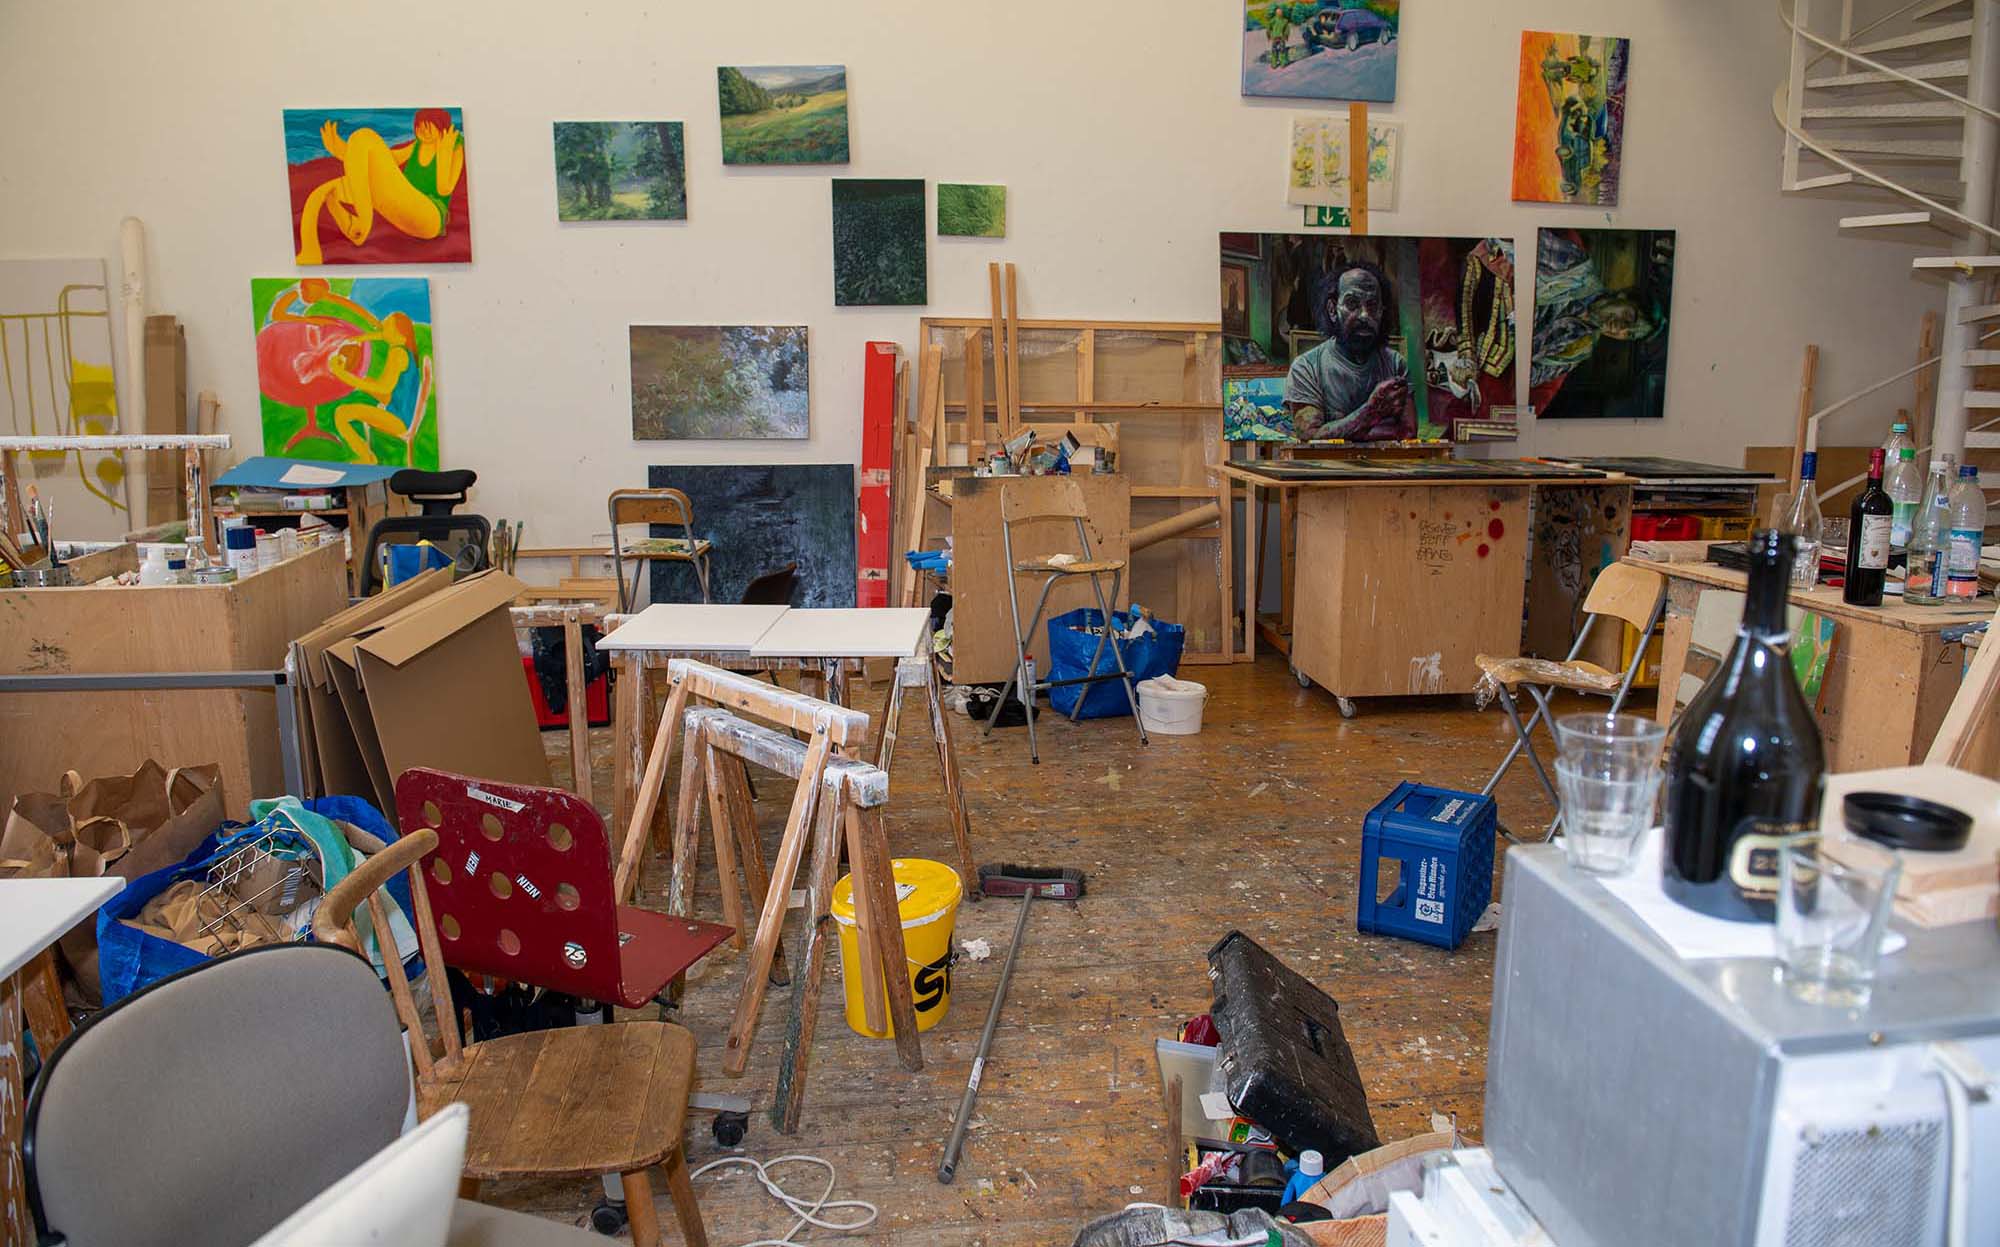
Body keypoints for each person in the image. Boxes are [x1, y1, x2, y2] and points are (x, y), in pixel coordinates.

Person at [294, 109, 464, 264]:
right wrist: (341, 150)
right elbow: (384, 161)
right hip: (405, 208)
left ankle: (363, 222)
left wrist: (444, 152)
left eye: (428, 127)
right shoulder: (417, 145)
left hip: (431, 216)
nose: (423, 131)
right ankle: (311, 250)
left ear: (441, 126)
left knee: (364, 136)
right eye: (419, 127)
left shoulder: (454, 145)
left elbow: (444, 189)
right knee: (325, 190)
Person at [1284, 260, 1413, 442]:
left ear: (1382, 311)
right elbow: (1310, 438)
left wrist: (1340, 430)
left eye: (1372, 305)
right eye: (1352, 304)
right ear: (1332, 310)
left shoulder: (1395, 364)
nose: (1364, 315)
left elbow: (1408, 434)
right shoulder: (1306, 368)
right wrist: (1371, 412)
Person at [1264, 3, 1293, 69]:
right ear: (1276, 13)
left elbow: (1287, 29)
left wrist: (1286, 36)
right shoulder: (1273, 20)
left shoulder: (1285, 20)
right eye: (1278, 12)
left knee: (1282, 50)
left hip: (1281, 38)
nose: (1279, 13)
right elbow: (1268, 28)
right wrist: (1269, 36)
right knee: (1274, 51)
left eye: (1280, 12)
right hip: (1274, 38)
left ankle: (1283, 63)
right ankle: (1274, 64)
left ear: (1282, 13)